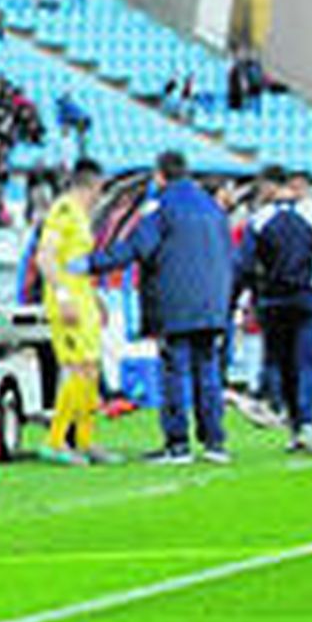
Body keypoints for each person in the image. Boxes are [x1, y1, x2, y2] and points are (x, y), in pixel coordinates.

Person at [72, 151, 233, 464]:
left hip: (176, 303)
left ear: (160, 175)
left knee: (174, 373)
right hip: (212, 303)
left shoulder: (161, 206)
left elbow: (137, 247)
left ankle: (178, 445)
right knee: (208, 372)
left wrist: (90, 263)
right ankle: (214, 443)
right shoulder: (212, 207)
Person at [234, 166, 312, 455]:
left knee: (280, 361)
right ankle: (305, 423)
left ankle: (288, 415)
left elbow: (244, 265)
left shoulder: (259, 219)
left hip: (273, 301)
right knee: (305, 361)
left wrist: (239, 298)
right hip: (307, 298)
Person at [37, 159, 116, 465]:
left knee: (91, 368)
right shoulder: (64, 210)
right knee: (77, 368)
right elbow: (45, 257)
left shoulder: (82, 216)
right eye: (100, 189)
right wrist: (62, 294)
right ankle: (55, 441)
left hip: (83, 298)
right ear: (93, 186)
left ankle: (85, 440)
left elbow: (75, 262)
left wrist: (94, 296)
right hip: (67, 301)